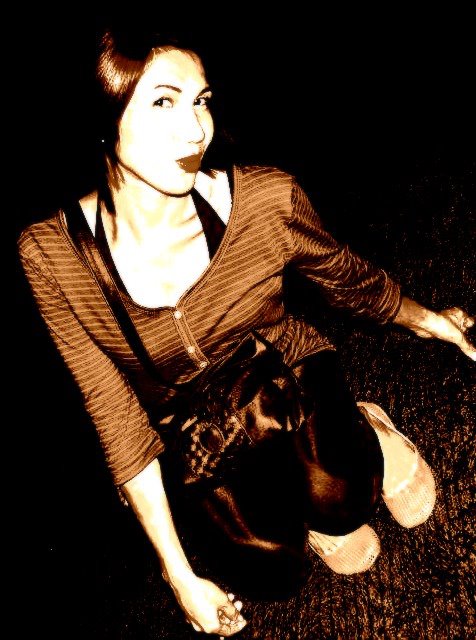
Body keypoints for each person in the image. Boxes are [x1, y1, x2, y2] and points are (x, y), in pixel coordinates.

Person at [17, 23, 475, 637]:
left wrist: (427, 321)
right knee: (270, 570)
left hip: (286, 367)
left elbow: (345, 276)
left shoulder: (264, 200)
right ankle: (294, 487)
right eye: (163, 102)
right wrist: (178, 576)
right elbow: (111, 409)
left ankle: (368, 429)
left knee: (342, 499)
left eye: (201, 101)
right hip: (196, 425)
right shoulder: (51, 256)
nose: (195, 130)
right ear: (104, 114)